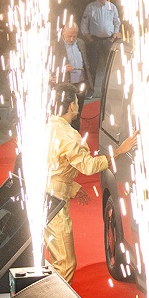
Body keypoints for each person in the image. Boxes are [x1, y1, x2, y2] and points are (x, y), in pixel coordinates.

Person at [45, 83, 136, 282]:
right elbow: (88, 166)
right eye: (77, 102)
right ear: (71, 105)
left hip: (46, 196)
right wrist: (119, 152)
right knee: (66, 263)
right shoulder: (69, 135)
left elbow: (51, 167)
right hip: (54, 203)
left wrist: (73, 188)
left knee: (57, 257)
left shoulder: (49, 127)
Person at [81, 0, 121, 95]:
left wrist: (114, 36)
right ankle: (91, 90)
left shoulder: (112, 7)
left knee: (109, 66)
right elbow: (84, 22)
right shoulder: (91, 7)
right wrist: (88, 37)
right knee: (92, 66)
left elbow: (117, 22)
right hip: (95, 40)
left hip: (108, 41)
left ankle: (109, 91)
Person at [53, 22, 89, 129]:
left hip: (80, 83)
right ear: (63, 32)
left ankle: (76, 133)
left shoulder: (81, 43)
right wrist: (62, 69)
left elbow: (86, 62)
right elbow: (48, 66)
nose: (72, 39)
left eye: (75, 36)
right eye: (69, 36)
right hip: (65, 85)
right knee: (64, 114)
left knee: (77, 113)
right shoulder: (55, 45)